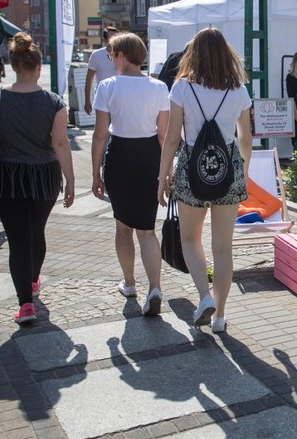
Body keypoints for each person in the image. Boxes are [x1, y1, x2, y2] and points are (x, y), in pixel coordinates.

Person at [0, 32, 75, 324]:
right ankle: (32, 281)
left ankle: (25, 304)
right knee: (36, 231)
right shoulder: (53, 102)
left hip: (8, 175)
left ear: (13, 65)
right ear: (38, 66)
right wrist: (71, 180)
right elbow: (60, 143)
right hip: (45, 175)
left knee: (18, 239)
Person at [156, 27, 253, 332]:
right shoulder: (238, 89)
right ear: (227, 53)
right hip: (228, 170)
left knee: (189, 238)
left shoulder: (182, 88)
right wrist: (243, 172)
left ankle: (204, 296)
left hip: (190, 169)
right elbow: (246, 139)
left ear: (193, 54)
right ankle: (221, 316)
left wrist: (163, 176)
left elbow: (171, 139)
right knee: (223, 247)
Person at [91, 33, 169, 316]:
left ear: (121, 55)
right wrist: (166, 171)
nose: (111, 60)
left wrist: (95, 173)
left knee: (123, 227)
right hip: (150, 157)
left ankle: (129, 282)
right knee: (147, 230)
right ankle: (155, 287)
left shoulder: (108, 86)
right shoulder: (159, 87)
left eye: (111, 56)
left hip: (120, 157)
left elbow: (100, 135)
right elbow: (164, 136)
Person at [84, 26, 120, 115]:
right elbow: (89, 79)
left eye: (117, 36)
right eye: (111, 36)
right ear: (105, 39)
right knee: (103, 126)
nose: (115, 39)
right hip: (102, 97)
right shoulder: (96, 55)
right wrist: (87, 101)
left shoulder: (124, 54)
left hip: (120, 97)